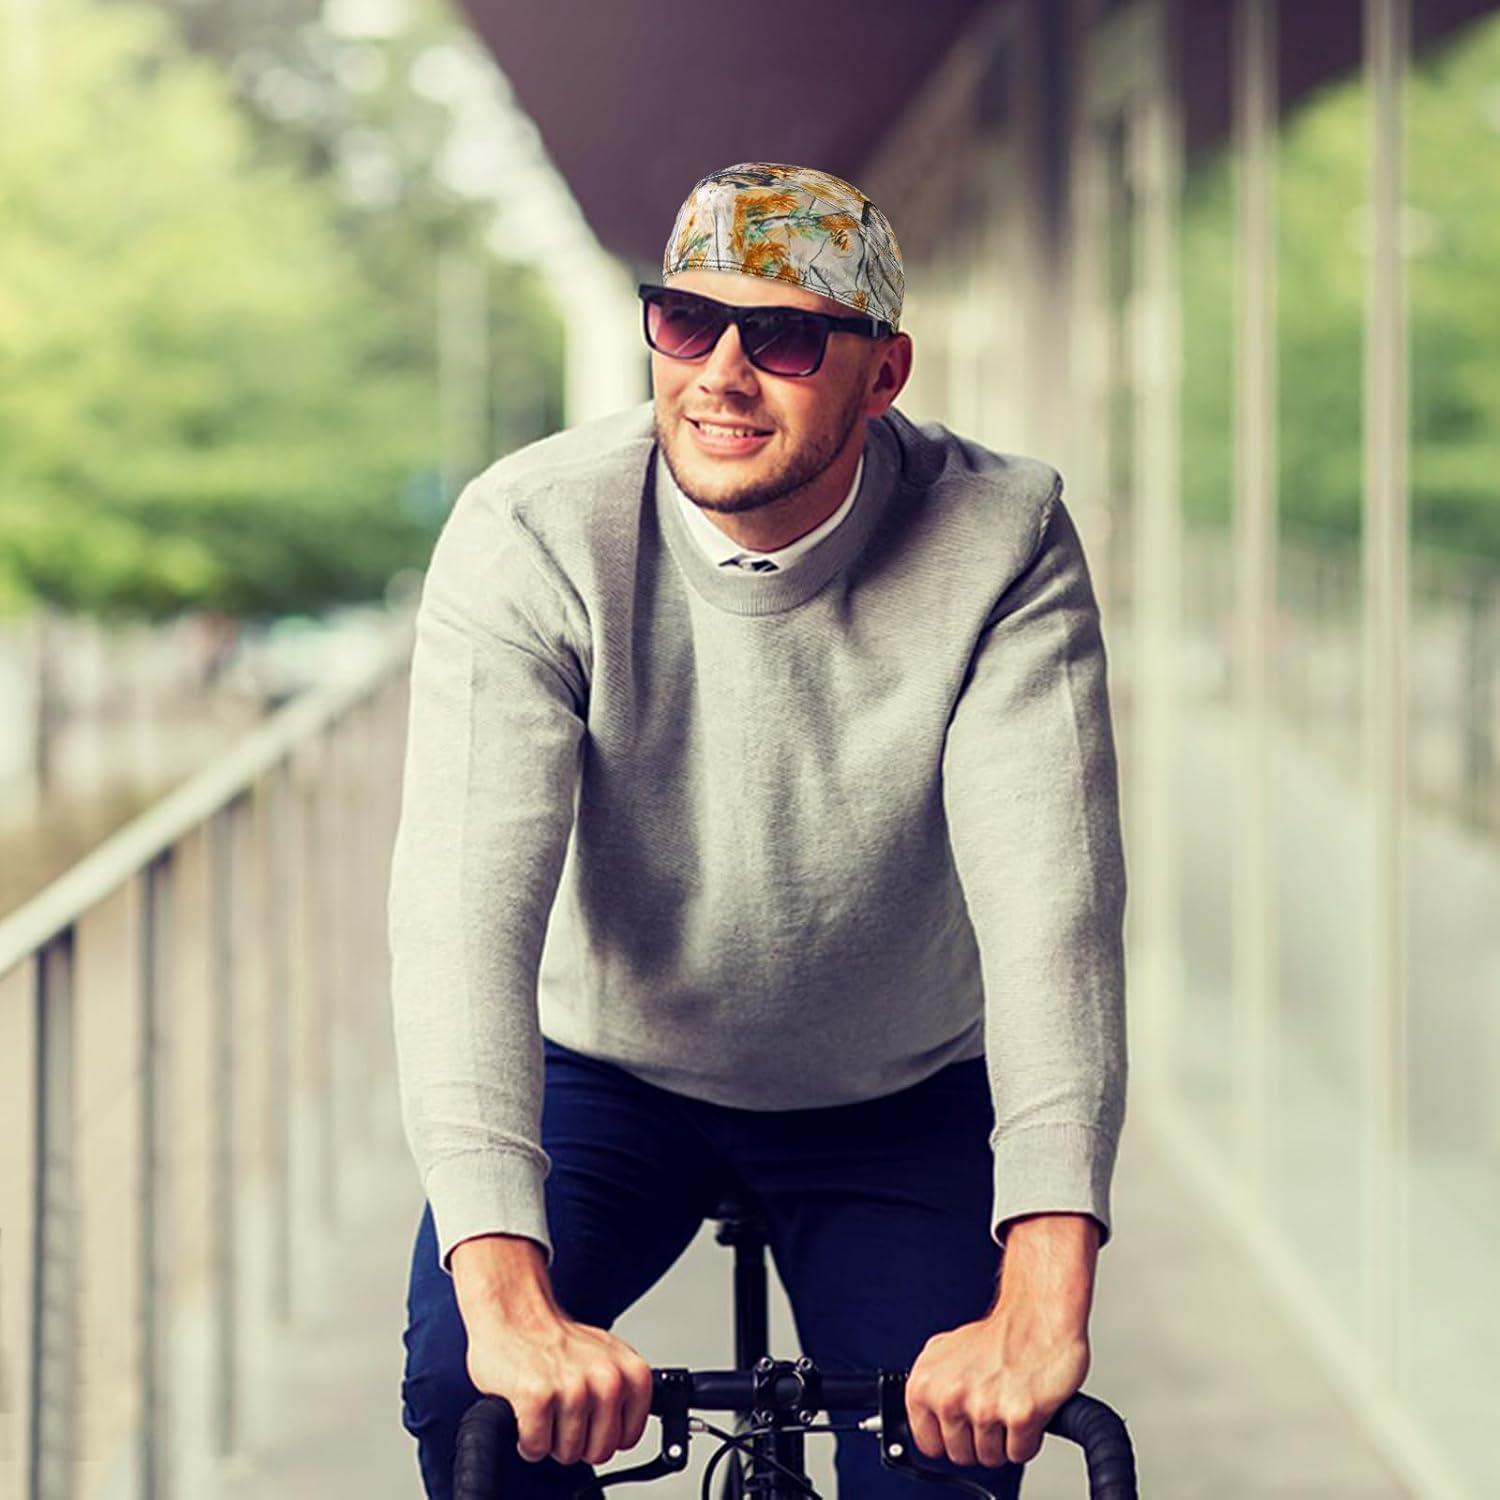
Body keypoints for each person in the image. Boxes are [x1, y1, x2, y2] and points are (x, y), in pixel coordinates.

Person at [390, 161, 1128, 1499]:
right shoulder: (532, 530)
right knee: (471, 1397)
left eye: (782, 338)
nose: (720, 375)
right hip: (607, 1068)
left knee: (947, 1466)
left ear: (883, 373)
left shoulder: (1001, 536)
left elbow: (1053, 920)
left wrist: (1043, 1288)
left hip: (898, 1085)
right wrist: (504, 1301)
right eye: (686, 322)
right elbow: (461, 923)